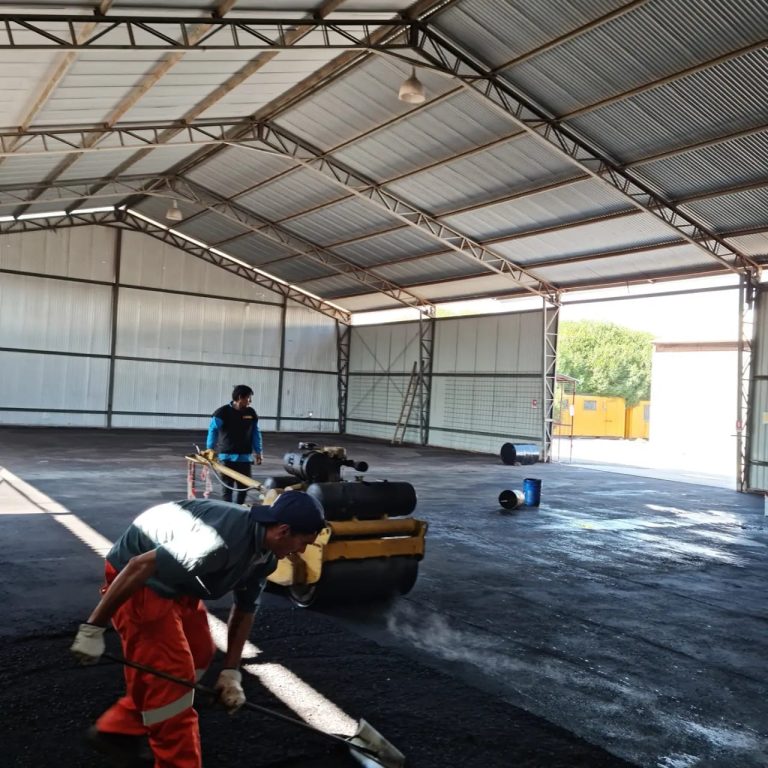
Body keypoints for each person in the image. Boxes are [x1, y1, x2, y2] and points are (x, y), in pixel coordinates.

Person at [70, 491, 325, 768]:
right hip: (140, 582)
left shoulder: (265, 556)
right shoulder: (215, 543)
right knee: (173, 680)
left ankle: (119, 729)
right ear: (283, 531)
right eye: (303, 542)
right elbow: (138, 565)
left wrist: (231, 672)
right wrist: (93, 628)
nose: (302, 550)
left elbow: (245, 609)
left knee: (198, 652)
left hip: (180, 582)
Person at [206, 384, 263, 504]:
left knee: (244, 488)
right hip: (226, 458)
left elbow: (255, 433)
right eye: (248, 398)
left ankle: (239, 508)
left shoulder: (251, 413)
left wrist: (258, 452)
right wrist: (210, 448)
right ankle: (229, 509)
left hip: (244, 458)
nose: (250, 401)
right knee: (227, 488)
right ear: (240, 397)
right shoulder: (222, 413)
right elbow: (213, 430)